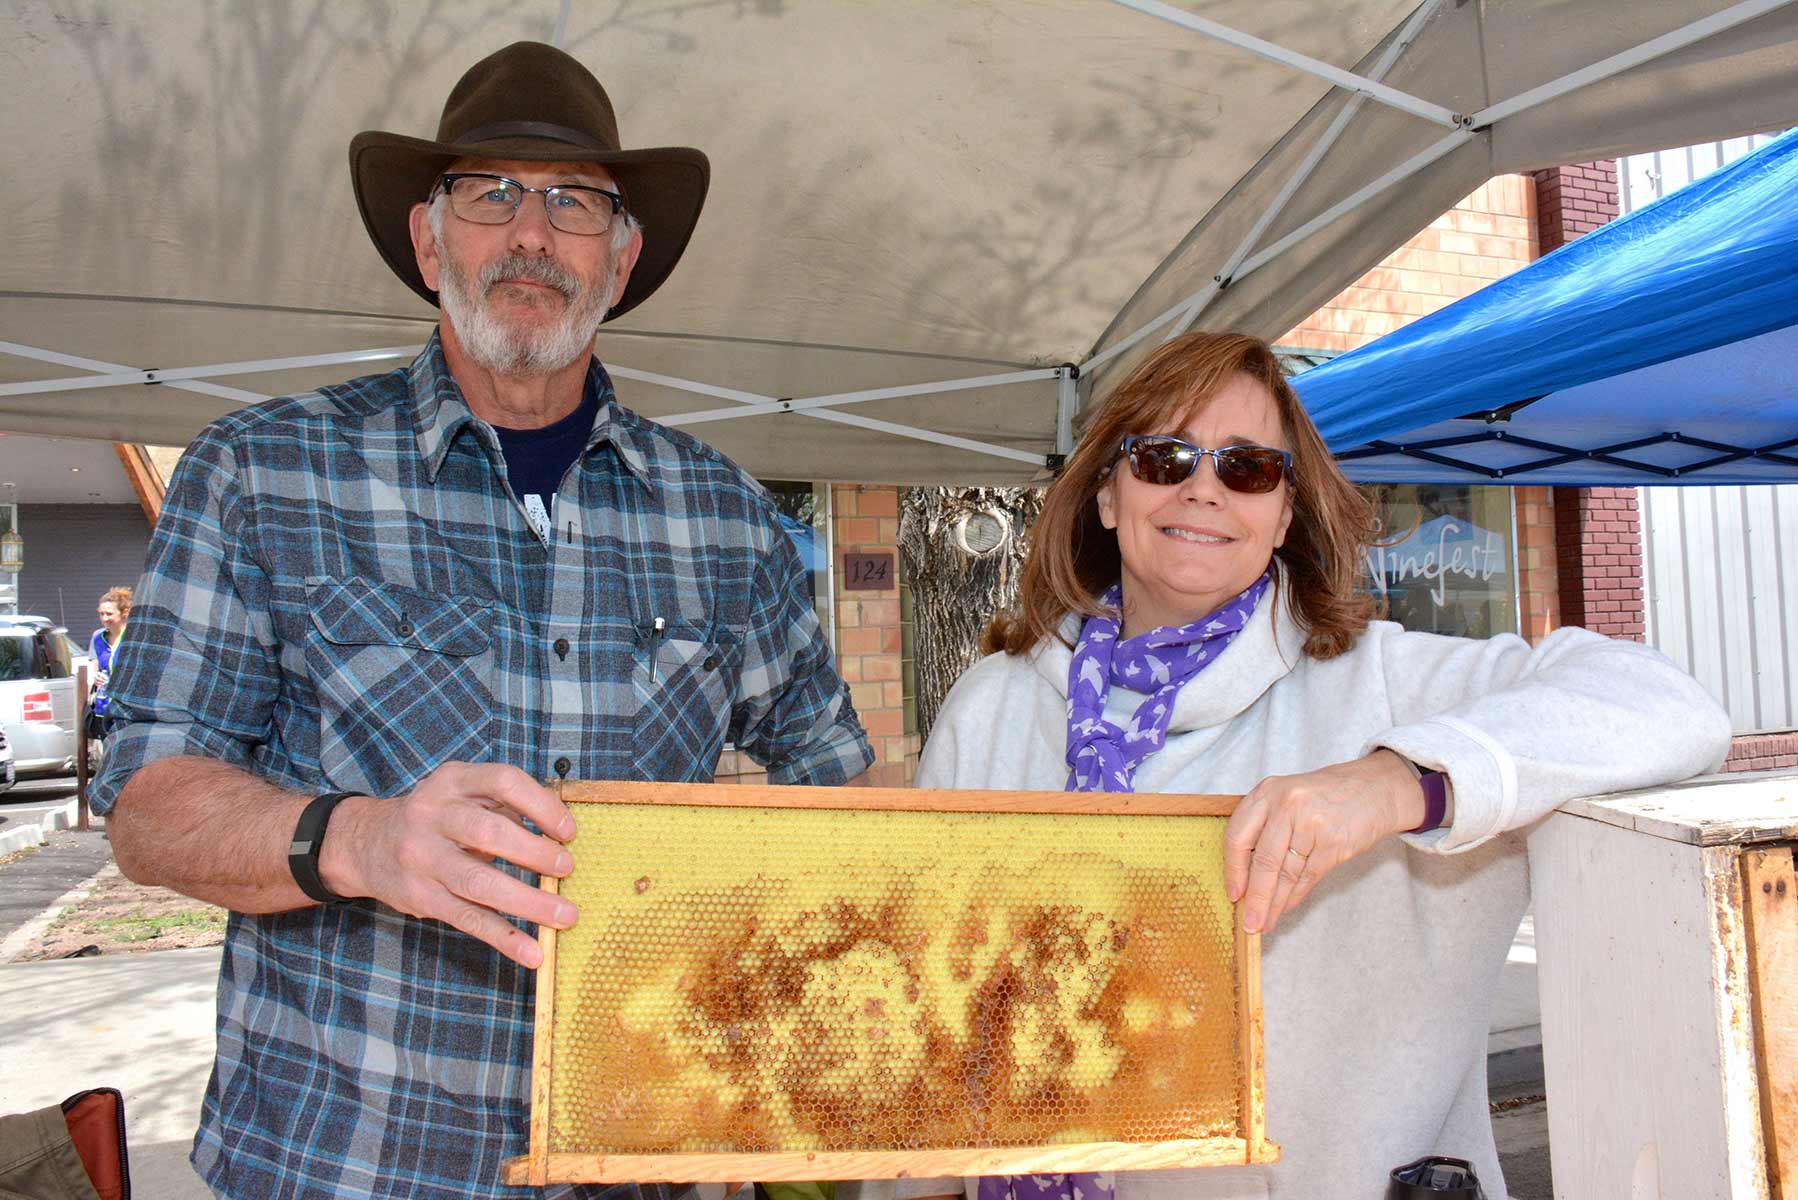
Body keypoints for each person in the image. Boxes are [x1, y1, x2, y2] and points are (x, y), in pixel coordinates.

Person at [90, 41, 872, 1200]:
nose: (529, 233)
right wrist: (357, 841)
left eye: (574, 203)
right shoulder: (262, 472)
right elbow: (146, 807)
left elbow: (837, 793)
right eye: (488, 193)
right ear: (426, 239)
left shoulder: (726, 517)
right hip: (341, 1167)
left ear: (622, 258)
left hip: (639, 1160)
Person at [905, 332, 1730, 1198]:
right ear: (1108, 494)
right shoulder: (989, 710)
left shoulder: (1388, 686)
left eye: (1248, 468)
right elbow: (934, 1026)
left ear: (1286, 512)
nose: (1202, 489)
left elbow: (1668, 702)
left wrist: (1393, 783)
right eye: (1163, 457)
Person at [87, 586, 130, 734]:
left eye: (109, 614)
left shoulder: (132, 637)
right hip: (103, 706)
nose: (105, 618)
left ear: (124, 613)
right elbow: (95, 666)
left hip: (126, 708)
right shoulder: (97, 637)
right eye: (101, 614)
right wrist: (96, 677)